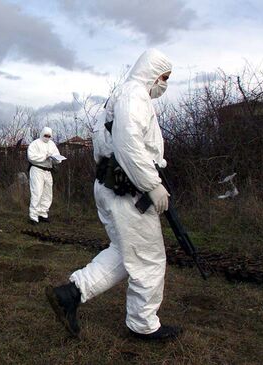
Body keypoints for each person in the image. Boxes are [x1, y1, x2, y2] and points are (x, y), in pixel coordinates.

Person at [45, 49, 180, 340]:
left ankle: (71, 293)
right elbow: (129, 144)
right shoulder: (134, 96)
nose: (164, 84)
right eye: (164, 78)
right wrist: (152, 184)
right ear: (152, 73)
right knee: (149, 258)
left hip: (112, 186)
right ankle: (143, 325)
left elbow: (106, 146)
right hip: (128, 190)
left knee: (125, 251)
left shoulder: (121, 96)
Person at [27, 127, 61, 225]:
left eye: (49, 136)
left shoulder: (52, 144)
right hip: (37, 170)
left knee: (47, 193)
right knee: (37, 193)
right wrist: (44, 157)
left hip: (48, 171)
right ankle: (33, 216)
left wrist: (55, 159)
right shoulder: (35, 144)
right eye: (45, 135)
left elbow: (57, 158)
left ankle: (43, 214)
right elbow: (31, 157)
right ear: (42, 134)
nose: (47, 137)